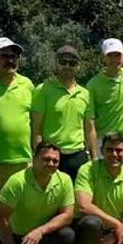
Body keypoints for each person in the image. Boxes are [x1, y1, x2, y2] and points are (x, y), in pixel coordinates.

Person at [0, 142, 74, 244]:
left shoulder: (65, 180)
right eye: (45, 159)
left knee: (67, 235)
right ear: (34, 158)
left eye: (55, 161)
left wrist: (40, 231)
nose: (50, 163)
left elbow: (67, 215)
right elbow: (0, 217)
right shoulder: (17, 182)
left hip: (42, 235)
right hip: (17, 238)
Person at [0, 37, 34, 205]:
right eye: (4, 56)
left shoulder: (27, 84)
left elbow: (34, 121)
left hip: (25, 163)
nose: (10, 60)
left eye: (14, 56)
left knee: (23, 213)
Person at [31, 45, 97, 180]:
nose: (67, 66)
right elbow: (36, 129)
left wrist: (95, 158)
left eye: (72, 63)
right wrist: (39, 156)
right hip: (51, 155)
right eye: (63, 62)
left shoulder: (85, 94)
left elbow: (90, 129)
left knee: (79, 199)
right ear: (56, 63)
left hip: (78, 156)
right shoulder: (42, 90)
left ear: (78, 66)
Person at [85, 38, 123, 174]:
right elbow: (90, 124)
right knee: (104, 186)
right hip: (104, 142)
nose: (114, 59)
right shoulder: (93, 85)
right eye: (110, 55)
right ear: (103, 58)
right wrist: (94, 155)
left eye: (117, 55)